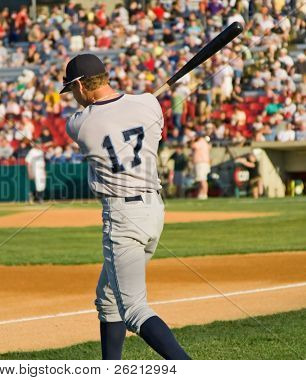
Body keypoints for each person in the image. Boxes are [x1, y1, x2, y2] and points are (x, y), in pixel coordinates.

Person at [62, 54, 190, 360]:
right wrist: (139, 102)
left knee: (133, 310)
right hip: (153, 212)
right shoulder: (149, 104)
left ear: (81, 84)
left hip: (122, 216)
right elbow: (135, 119)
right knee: (107, 297)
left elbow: (99, 117)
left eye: (73, 89)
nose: (74, 97)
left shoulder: (79, 124)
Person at [25, 139, 46, 203]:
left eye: (40, 143)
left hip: (41, 170)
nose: (39, 145)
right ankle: (40, 199)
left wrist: (44, 171)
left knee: (43, 184)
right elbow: (27, 162)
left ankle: (33, 195)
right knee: (39, 184)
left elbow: (42, 162)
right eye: (38, 143)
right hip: (35, 170)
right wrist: (30, 172)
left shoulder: (41, 152)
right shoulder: (32, 152)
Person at [191, 134, 211, 200]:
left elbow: (193, 146)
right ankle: (201, 194)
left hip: (201, 163)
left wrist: (193, 140)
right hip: (203, 163)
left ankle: (204, 194)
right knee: (200, 180)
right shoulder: (204, 142)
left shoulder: (200, 142)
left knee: (202, 180)